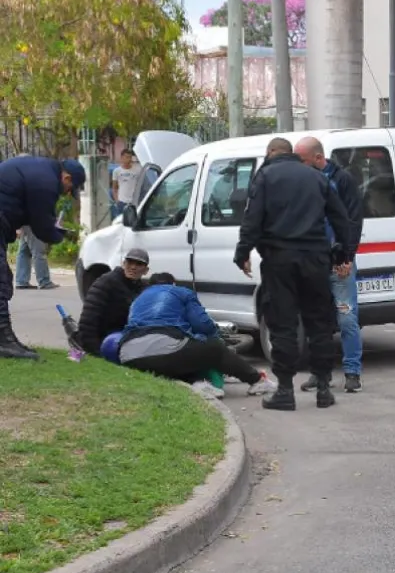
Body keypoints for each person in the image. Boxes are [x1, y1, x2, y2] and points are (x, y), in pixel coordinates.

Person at [234, 137, 352, 411]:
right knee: (320, 324)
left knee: (283, 324)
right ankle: (323, 388)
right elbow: (340, 217)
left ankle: (285, 390)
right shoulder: (317, 177)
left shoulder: (264, 177)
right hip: (315, 260)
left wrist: (243, 253)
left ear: (272, 153)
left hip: (279, 260)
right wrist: (342, 253)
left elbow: (252, 219)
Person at [119, 272, 275, 396]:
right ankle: (257, 380)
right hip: (165, 347)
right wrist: (218, 342)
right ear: (173, 284)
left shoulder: (138, 299)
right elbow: (203, 325)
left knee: (181, 353)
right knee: (214, 348)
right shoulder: (181, 292)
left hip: (128, 356)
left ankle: (199, 383)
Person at [294, 136, 364, 394]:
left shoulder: (342, 181)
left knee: (346, 318)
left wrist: (346, 257)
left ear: (317, 158)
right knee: (317, 321)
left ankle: (352, 372)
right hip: (314, 264)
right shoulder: (305, 181)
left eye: (301, 160)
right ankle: (319, 372)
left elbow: (352, 221)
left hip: (338, 265)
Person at [0, 155, 86, 359]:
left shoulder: (42, 170)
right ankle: (4, 341)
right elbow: (42, 226)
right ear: (66, 178)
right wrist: (59, 235)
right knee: (0, 281)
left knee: (4, 277)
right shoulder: (46, 181)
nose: (66, 194)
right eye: (69, 189)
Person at [77, 248, 149, 356]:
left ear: (146, 270)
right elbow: (88, 320)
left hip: (124, 338)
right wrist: (94, 350)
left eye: (139, 264)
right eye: (130, 262)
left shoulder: (143, 288)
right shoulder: (106, 282)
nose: (133, 267)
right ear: (123, 263)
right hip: (103, 339)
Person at [15, 225, 57, 290]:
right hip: (34, 222)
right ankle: (44, 281)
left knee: (24, 251)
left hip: (24, 223)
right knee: (38, 251)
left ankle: (21, 281)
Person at [112, 148, 141, 217]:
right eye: (127, 157)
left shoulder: (137, 170)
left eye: (130, 157)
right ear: (122, 158)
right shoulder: (117, 171)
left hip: (134, 201)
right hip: (122, 202)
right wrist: (117, 201)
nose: (129, 159)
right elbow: (114, 188)